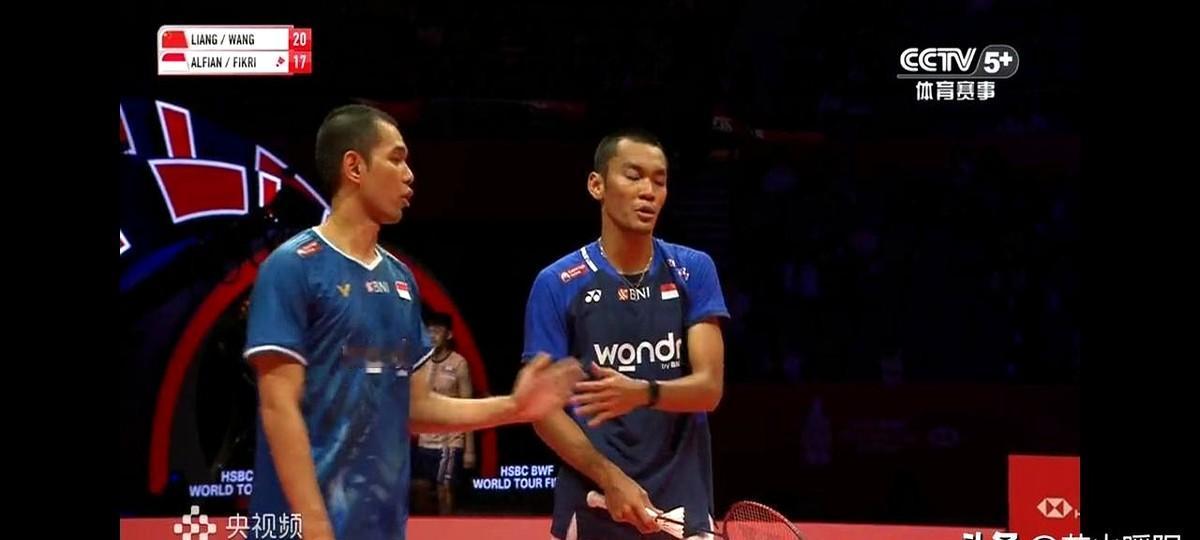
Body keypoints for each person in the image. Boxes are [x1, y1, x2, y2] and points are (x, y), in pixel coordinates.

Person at [243, 104, 583, 540]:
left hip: (381, 527)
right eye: (397, 159)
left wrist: (515, 407)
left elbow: (416, 407)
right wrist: (314, 523)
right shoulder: (292, 267)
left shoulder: (400, 280)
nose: (410, 176)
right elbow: (278, 406)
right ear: (354, 167)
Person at [522, 130, 731, 540]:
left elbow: (709, 389)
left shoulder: (693, 270)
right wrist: (609, 477)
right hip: (594, 504)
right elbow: (542, 410)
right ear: (596, 185)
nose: (648, 191)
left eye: (659, 180)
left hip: (682, 508)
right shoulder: (556, 283)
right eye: (633, 176)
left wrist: (640, 393)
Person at [411, 311, 476, 515]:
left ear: (448, 335)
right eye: (429, 331)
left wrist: (469, 450)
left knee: (444, 489)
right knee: (420, 490)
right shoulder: (420, 363)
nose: (432, 336)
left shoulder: (459, 364)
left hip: (450, 441)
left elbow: (468, 407)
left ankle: (447, 528)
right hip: (424, 441)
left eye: (437, 331)